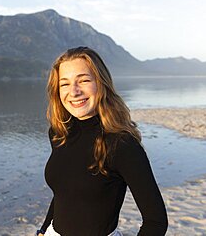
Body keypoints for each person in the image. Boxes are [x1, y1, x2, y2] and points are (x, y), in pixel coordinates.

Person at [36, 47, 168, 236]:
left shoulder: (122, 144)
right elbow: (63, 193)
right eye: (65, 84)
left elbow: (156, 221)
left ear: (101, 83)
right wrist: (43, 229)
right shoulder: (59, 134)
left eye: (84, 80)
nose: (74, 91)